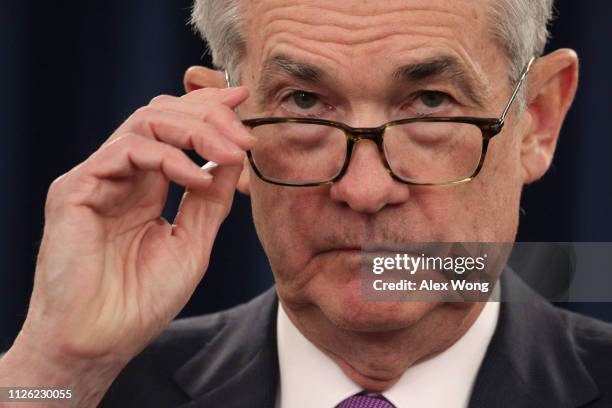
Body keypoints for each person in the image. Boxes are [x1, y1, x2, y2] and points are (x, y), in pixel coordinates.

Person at [1, 0, 611, 407]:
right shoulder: (89, 390)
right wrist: (54, 370)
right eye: (304, 104)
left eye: (430, 103)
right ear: (222, 125)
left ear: (536, 122)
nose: (365, 191)